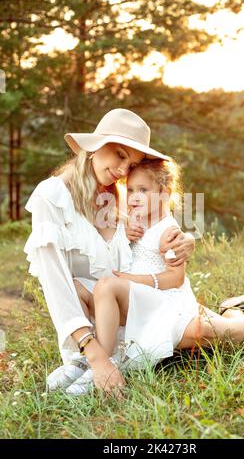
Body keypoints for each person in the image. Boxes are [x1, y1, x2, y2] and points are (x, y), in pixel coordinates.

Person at [66, 157, 244, 396]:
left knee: (220, 333)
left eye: (143, 190)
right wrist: (124, 234)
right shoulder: (132, 219)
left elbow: (174, 279)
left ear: (164, 194)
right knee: (76, 286)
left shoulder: (168, 231)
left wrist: (128, 280)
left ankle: (104, 362)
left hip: (164, 300)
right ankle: (86, 359)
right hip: (137, 301)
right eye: (131, 189)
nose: (134, 196)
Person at [23, 109, 196, 390]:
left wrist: (187, 238)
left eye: (132, 163)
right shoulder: (50, 197)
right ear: (95, 146)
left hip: (132, 308)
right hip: (93, 329)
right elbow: (56, 285)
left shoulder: (116, 197)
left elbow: (161, 219)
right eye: (120, 154)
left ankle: (107, 357)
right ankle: (83, 361)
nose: (123, 170)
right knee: (76, 285)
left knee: (212, 329)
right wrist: (95, 356)